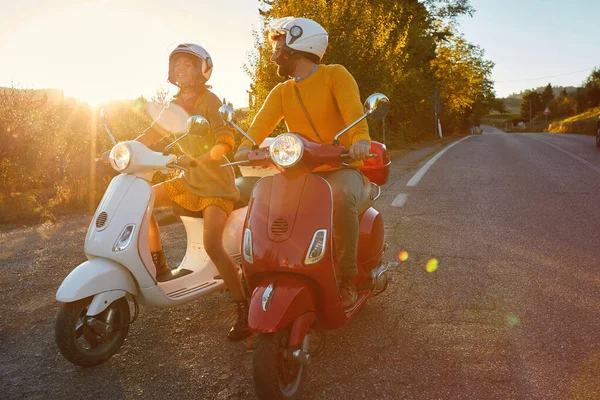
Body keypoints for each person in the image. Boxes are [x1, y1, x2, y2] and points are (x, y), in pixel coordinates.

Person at [234, 17, 372, 309]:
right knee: (263, 201)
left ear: (298, 47)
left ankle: (347, 277)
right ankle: (268, 268)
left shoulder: (335, 75)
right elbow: (258, 127)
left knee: (341, 197)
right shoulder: (283, 91)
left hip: (342, 168)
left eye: (278, 48)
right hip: (300, 171)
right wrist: (245, 147)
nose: (273, 56)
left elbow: (353, 112)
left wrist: (360, 142)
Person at [136, 43, 250, 340]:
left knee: (213, 245)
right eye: (176, 64)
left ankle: (243, 306)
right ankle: (160, 263)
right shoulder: (173, 106)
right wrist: (124, 149)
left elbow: (227, 140)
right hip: (187, 180)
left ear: (202, 70)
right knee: (142, 199)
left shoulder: (210, 100)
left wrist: (202, 158)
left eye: (187, 64)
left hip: (214, 183)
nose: (180, 69)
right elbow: (152, 135)